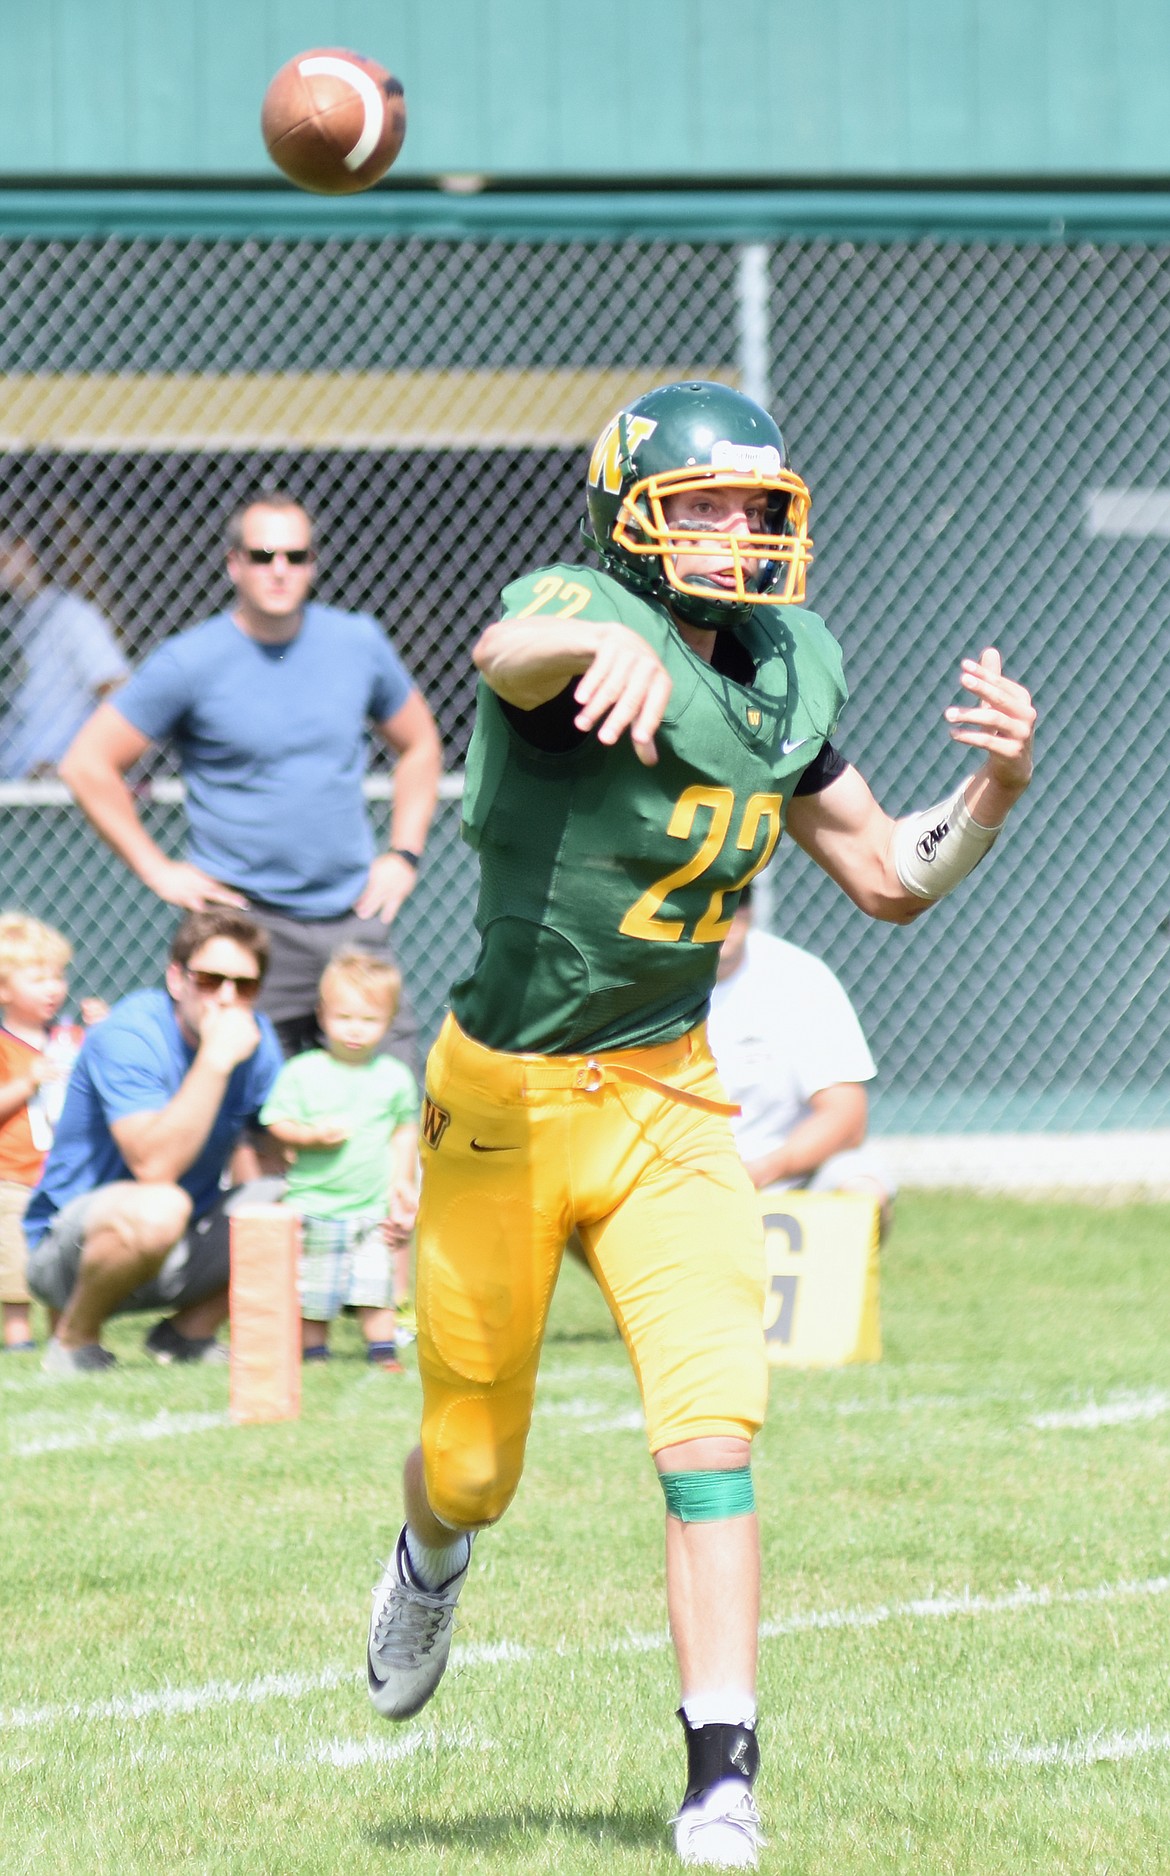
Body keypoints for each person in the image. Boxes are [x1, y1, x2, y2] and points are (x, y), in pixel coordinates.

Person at [362, 380, 1037, 1870]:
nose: (737, 535)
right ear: (629, 525)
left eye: (756, 509)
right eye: (705, 508)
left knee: (710, 1426)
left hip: (668, 1091)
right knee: (473, 1463)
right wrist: (593, 635)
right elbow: (506, 653)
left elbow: (884, 872)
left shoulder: (777, 669)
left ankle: (720, 1772)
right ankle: (430, 1551)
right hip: (508, 1101)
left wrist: (989, 794)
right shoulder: (571, 613)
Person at [58, 490, 442, 1070]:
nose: (280, 570)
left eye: (296, 555)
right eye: (262, 555)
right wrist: (156, 869)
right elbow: (87, 764)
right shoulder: (190, 660)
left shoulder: (357, 642)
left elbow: (420, 745)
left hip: (352, 918)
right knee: (242, 1115)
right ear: (233, 562)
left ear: (314, 563)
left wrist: (404, 856)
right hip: (244, 927)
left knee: (389, 1095)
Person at [23, 907, 284, 1376]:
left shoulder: (258, 1040)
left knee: (297, 1205)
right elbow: (153, 1165)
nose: (226, 998)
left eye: (244, 986)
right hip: (73, 1248)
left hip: (181, 1237)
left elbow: (275, 1143)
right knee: (160, 1203)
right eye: (210, 980)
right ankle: (75, 1341)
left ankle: (186, 1336)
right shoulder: (129, 1034)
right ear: (177, 979)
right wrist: (215, 1060)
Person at [260, 947, 419, 1370]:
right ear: (322, 1014)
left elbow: (404, 1130)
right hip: (315, 1205)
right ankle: (315, 1354)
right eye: (344, 1017)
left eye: (369, 1020)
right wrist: (310, 1136)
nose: (355, 1030)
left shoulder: (394, 1077)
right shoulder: (304, 1070)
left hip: (371, 1207)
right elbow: (276, 1121)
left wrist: (402, 1181)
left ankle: (382, 1352)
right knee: (314, 1290)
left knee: (376, 1285)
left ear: (388, 1022)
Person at [707, 881, 895, 1226]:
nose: (725, 915)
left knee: (863, 1185)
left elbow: (846, 1118)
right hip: (677, 1181)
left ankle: (836, 1281)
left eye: (737, 899)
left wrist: (763, 1171)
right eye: (705, 900)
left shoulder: (799, 978)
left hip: (786, 1178)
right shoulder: (644, 983)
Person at [0, 913, 106, 1351]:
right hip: (12, 1175)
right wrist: (27, 1082)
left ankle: (64, 1332)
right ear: (4, 988)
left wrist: (103, 1033)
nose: (53, 987)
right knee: (14, 1258)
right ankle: (18, 1335)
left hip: (65, 1172)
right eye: (38, 978)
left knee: (64, 1255)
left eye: (58, 976)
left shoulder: (70, 1036)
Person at [0, 527, 128, 779]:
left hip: (52, 784)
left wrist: (72, 764)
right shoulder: (14, 618)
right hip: (11, 778)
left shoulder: (70, 614)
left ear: (24, 548)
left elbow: (118, 692)